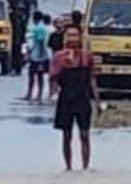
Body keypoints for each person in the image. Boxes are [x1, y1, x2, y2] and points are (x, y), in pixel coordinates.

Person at [50, 25, 99, 171]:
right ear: (65, 38)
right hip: (66, 99)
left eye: (75, 35)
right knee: (66, 135)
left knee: (84, 134)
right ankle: (68, 168)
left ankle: (85, 168)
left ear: (80, 37)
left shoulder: (87, 57)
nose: (72, 38)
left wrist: (97, 100)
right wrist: (52, 95)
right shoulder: (58, 57)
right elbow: (53, 78)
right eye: (69, 35)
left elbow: (92, 79)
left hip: (83, 98)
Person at [24, 10, 50, 103]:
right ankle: (35, 94)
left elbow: (41, 41)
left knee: (36, 75)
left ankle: (34, 94)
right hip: (37, 55)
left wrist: (41, 55)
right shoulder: (40, 28)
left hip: (38, 56)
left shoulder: (39, 29)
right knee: (37, 75)